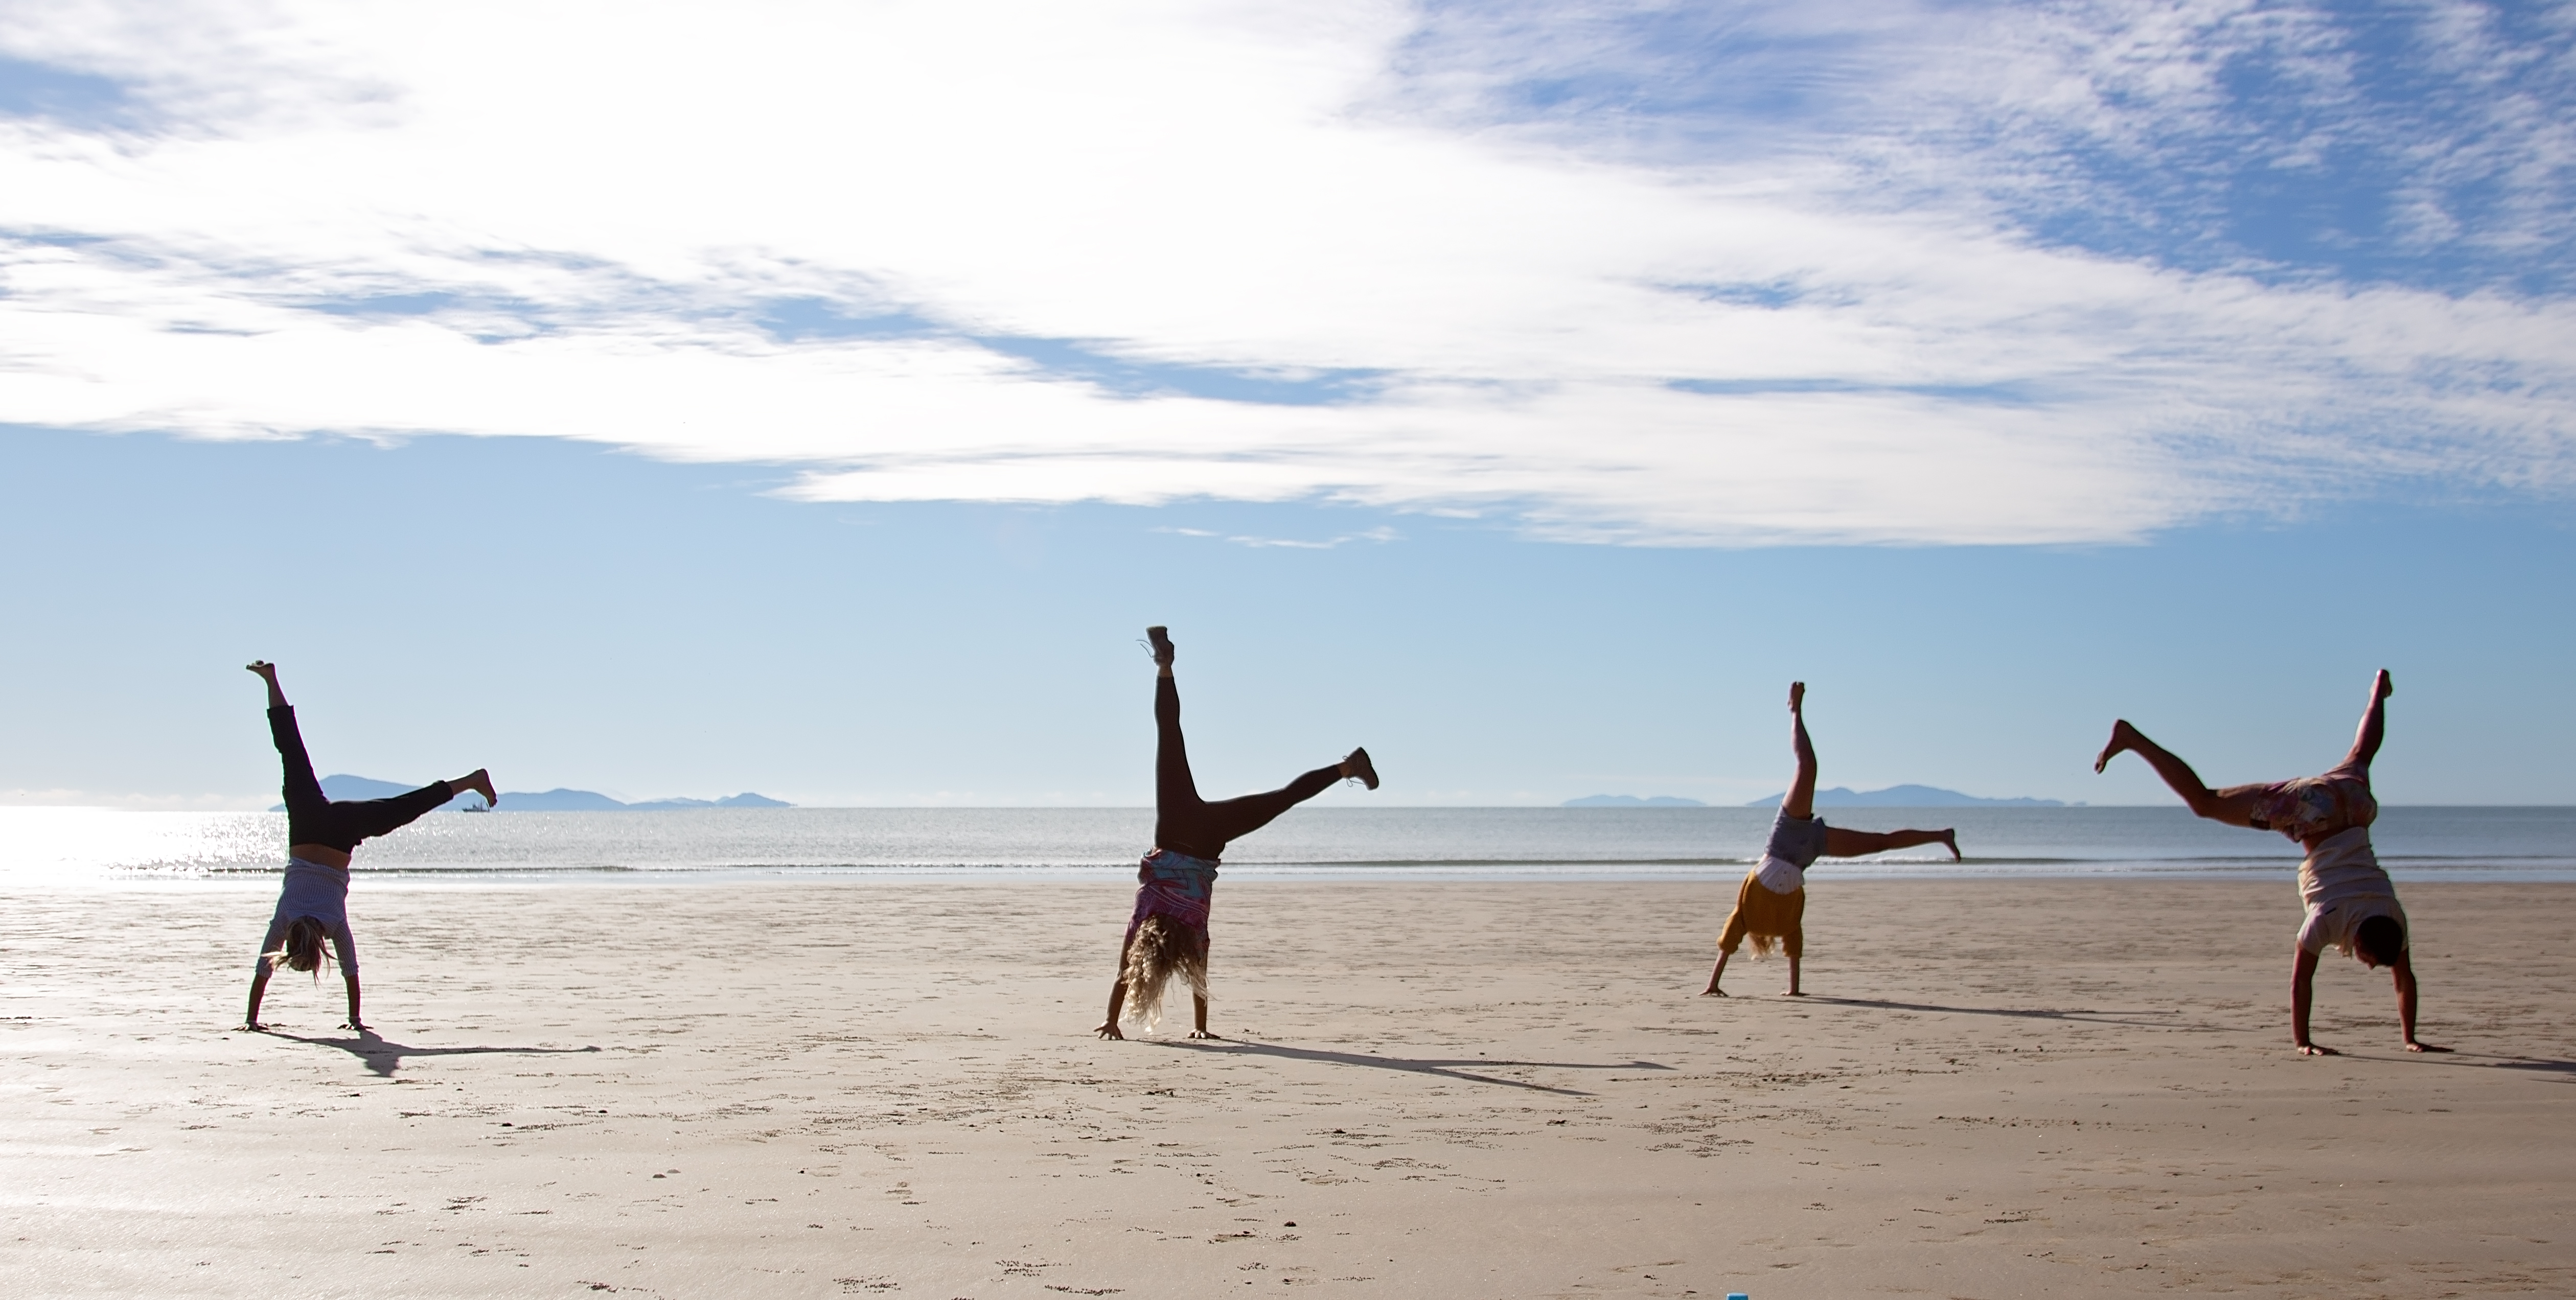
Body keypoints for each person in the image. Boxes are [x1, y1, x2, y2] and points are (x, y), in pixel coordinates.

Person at [2095, 668, 2442, 1055]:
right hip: (2313, 809)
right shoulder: (2327, 919)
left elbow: (2403, 977)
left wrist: (2410, 1039)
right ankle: (2132, 738)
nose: (2370, 966)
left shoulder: (2392, 915)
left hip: (2354, 804)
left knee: (2361, 755)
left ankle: (2378, 691)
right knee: (2205, 802)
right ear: (2358, 939)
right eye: (2369, 959)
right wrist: (2304, 1043)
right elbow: (2301, 981)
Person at [1095, 627, 1377, 1040]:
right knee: (1169, 736)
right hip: (1174, 828)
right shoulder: (1146, 913)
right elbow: (1125, 969)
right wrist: (1112, 1018)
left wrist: (1197, 1028)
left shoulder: (1192, 924)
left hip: (1207, 839)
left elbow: (1196, 975)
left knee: (1280, 800)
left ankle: (1348, 767)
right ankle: (1165, 665)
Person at [239, 661, 497, 1032]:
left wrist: (355, 1020)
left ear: (318, 949)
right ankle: (271, 679)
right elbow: (263, 970)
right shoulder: (286, 918)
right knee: (291, 751)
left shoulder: (332, 923)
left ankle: (471, 781)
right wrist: (251, 1018)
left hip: (342, 832)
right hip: (307, 825)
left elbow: (351, 970)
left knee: (404, 808)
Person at [1702, 682, 1959, 997]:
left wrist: (1713, 984)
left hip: (1785, 838)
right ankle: (1941, 835)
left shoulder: (1747, 918)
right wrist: (1794, 991)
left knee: (1808, 766)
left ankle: (1795, 710)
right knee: (1880, 843)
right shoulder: (1782, 924)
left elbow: (1727, 942)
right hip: (1808, 852)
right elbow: (1794, 945)